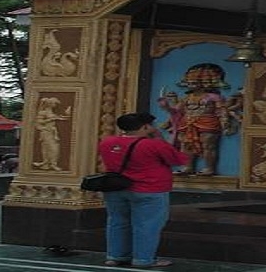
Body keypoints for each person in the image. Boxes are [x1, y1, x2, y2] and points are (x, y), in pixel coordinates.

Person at [97, 112, 188, 268]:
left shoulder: (107, 142)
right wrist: (160, 138)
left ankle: (115, 256)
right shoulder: (154, 144)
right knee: (147, 224)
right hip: (149, 189)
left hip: (116, 188)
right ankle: (143, 259)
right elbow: (178, 160)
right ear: (145, 126)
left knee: (117, 222)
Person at [157, 63, 239, 175]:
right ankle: (188, 167)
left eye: (194, 83)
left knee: (208, 146)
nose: (191, 85)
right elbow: (177, 111)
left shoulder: (214, 97)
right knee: (186, 146)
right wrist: (166, 106)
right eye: (189, 83)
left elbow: (221, 110)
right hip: (187, 123)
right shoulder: (187, 98)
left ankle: (209, 168)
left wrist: (225, 123)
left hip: (208, 122)